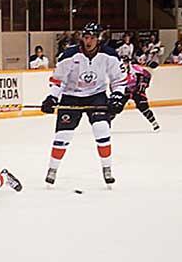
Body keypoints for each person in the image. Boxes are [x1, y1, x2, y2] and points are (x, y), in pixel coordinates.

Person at [41, 22, 128, 186]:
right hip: (71, 96)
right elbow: (57, 80)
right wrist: (52, 98)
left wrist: (117, 96)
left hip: (96, 95)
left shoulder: (110, 55)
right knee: (62, 136)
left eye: (92, 38)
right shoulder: (69, 55)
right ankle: (52, 169)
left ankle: (107, 168)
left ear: (99, 39)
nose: (89, 41)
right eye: (86, 37)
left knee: (101, 128)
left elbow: (119, 80)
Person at [122, 58, 160, 131]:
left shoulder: (136, 68)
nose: (124, 64)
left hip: (137, 90)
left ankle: (154, 123)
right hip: (125, 90)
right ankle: (106, 124)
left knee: (143, 106)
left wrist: (143, 85)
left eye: (126, 62)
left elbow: (147, 75)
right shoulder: (117, 70)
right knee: (116, 106)